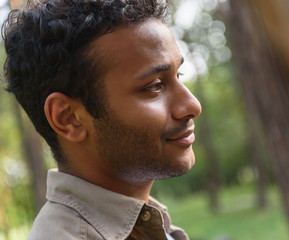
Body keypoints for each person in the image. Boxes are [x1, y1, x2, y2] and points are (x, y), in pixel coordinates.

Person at [2, 0, 202, 239]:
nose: (192, 106)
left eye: (178, 74)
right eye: (154, 87)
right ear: (69, 118)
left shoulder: (144, 223)